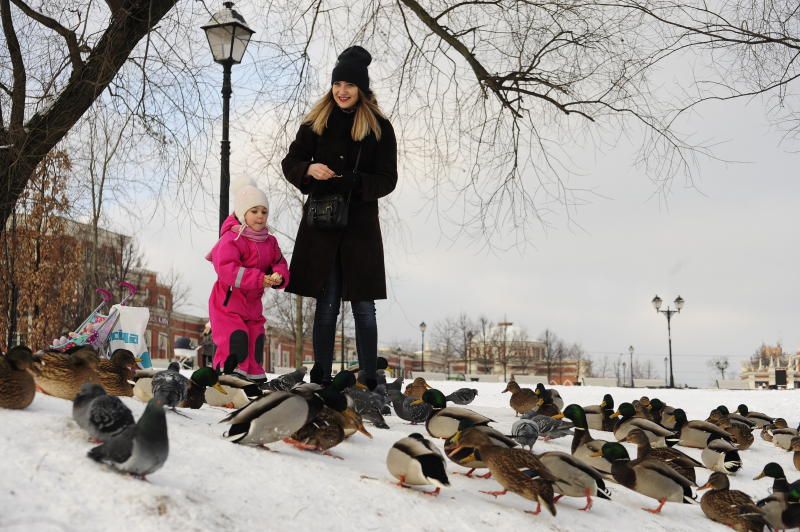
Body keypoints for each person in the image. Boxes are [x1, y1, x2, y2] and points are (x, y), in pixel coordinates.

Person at [281, 45, 398, 390]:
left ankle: (369, 379)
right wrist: (308, 169)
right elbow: (290, 163)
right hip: (322, 226)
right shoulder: (315, 123)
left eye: (349, 85)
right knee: (327, 302)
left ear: (361, 88)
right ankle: (320, 374)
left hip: (360, 228)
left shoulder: (379, 128)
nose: (342, 91)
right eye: (337, 84)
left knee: (364, 306)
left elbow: (388, 179)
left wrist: (354, 183)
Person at [207, 177, 290, 383]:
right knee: (236, 338)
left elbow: (279, 261)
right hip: (228, 302)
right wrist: (260, 279)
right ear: (242, 212)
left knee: (256, 338)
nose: (260, 216)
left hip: (253, 303)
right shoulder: (232, 238)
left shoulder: (269, 241)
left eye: (264, 211)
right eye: (254, 211)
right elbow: (227, 269)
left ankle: (252, 376)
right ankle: (228, 376)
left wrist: (279, 276)